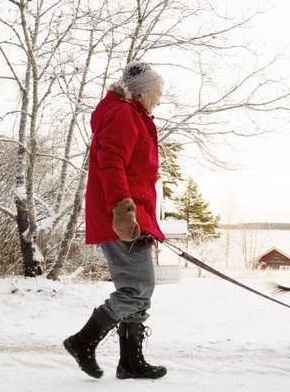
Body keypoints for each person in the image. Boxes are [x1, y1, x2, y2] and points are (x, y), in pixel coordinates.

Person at [63, 61, 167, 380]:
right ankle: (83, 342)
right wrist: (122, 209)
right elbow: (111, 165)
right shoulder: (123, 115)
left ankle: (130, 362)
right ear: (142, 92)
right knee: (137, 287)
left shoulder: (134, 116)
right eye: (158, 92)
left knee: (139, 288)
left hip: (135, 215)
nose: (160, 99)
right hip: (121, 217)